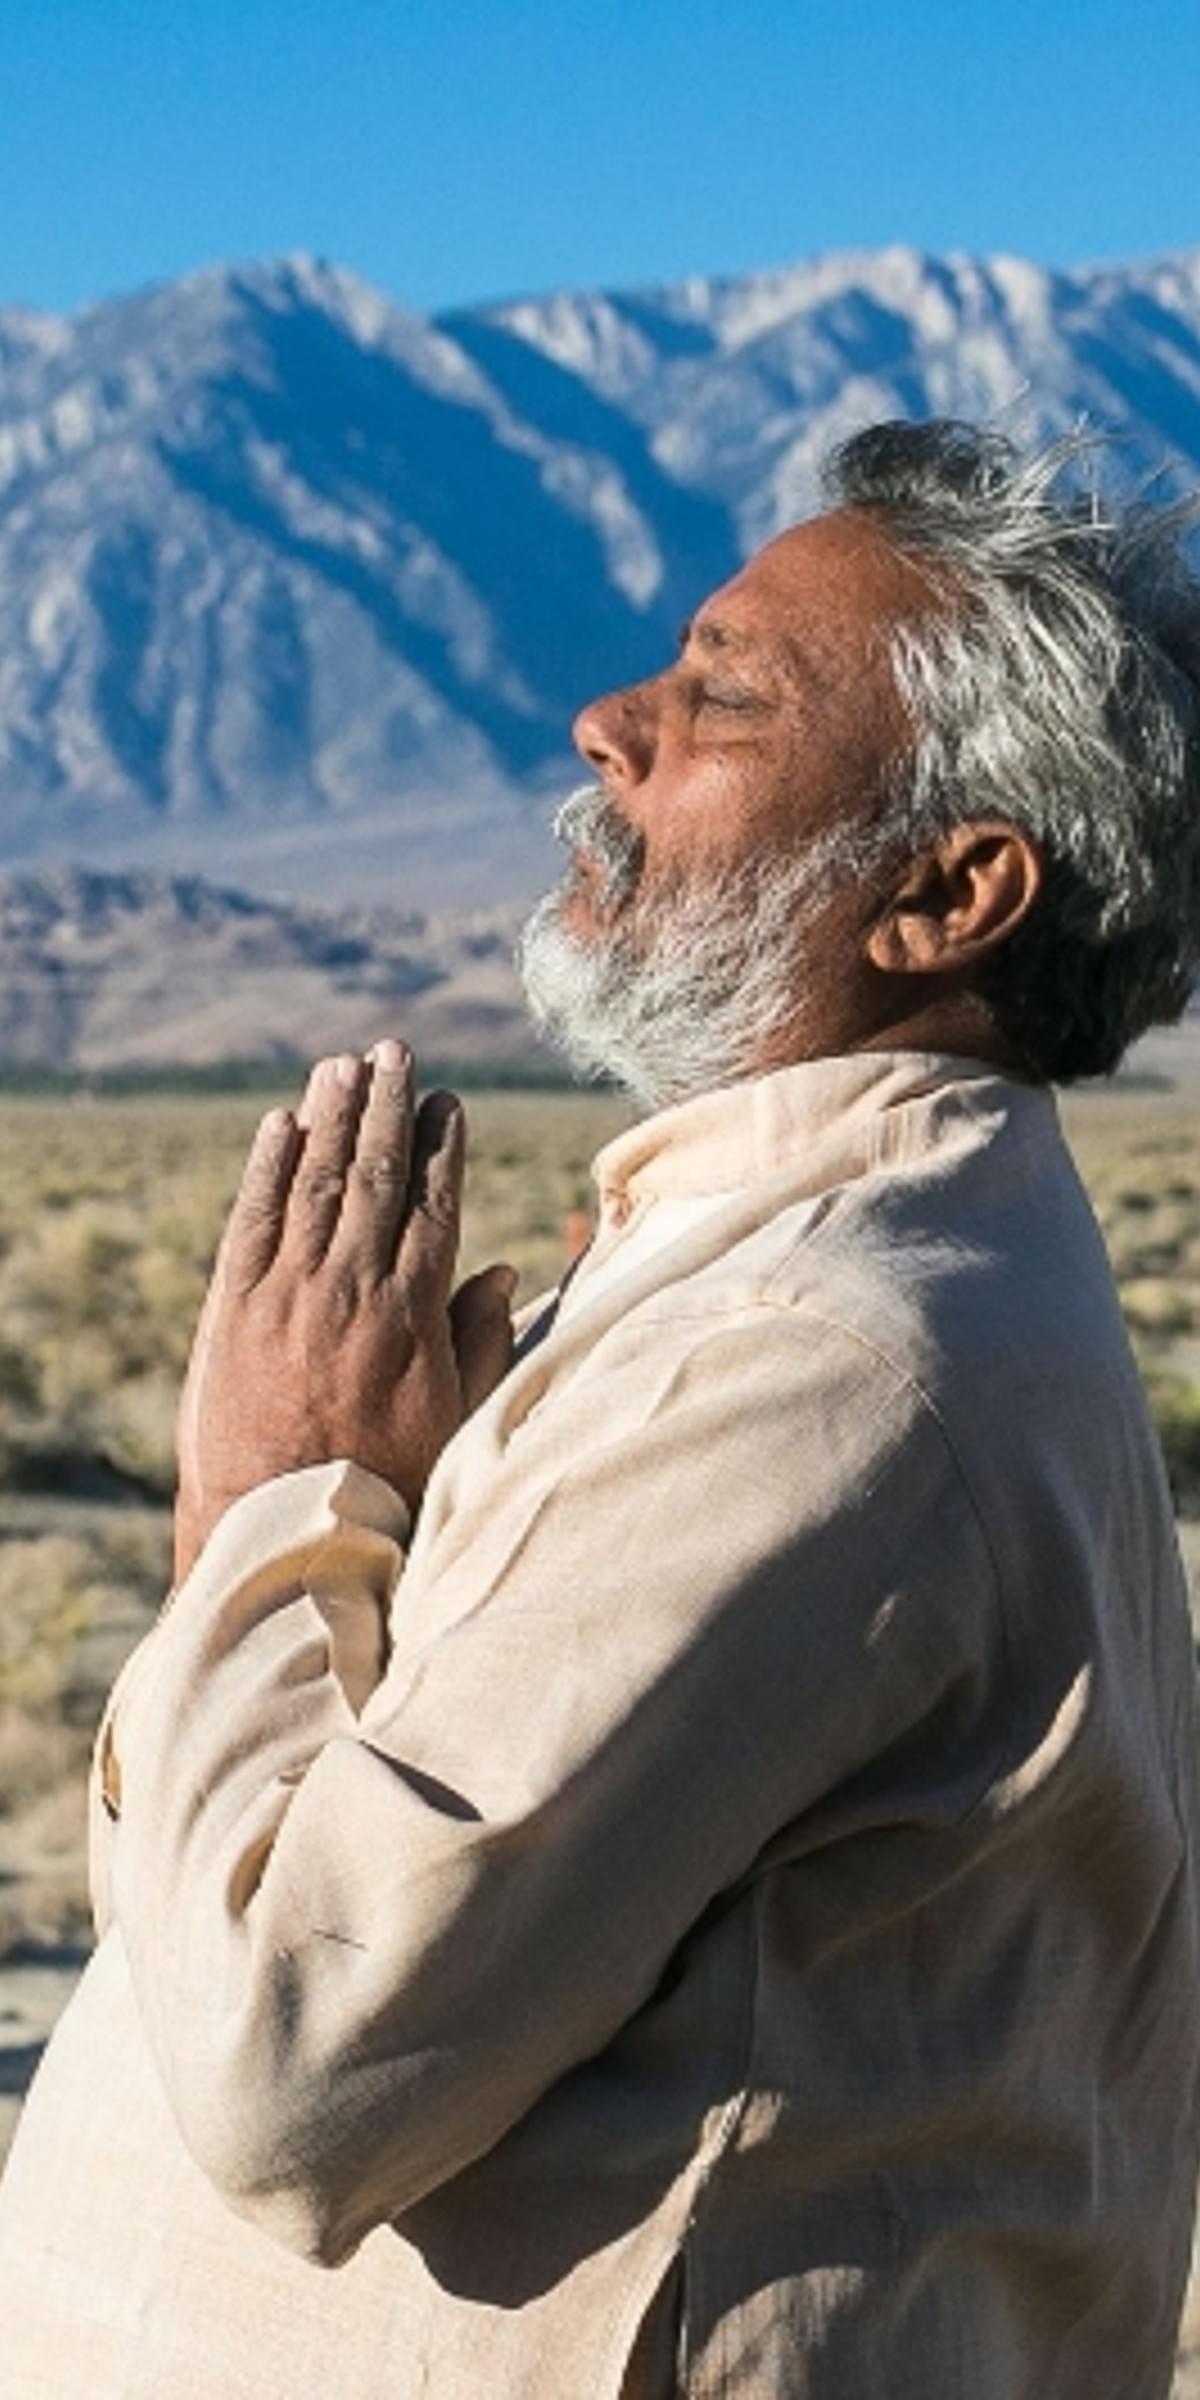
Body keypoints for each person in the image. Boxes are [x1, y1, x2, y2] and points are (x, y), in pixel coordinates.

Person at [1, 418, 1199, 2398]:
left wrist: (270, 1514)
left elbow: (300, 2077)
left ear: (948, 890)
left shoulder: (823, 1358)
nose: (605, 723)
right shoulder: (831, 1268)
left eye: (724, 693)